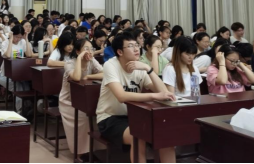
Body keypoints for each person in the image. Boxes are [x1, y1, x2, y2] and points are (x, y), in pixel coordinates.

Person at [96, 33, 176, 163]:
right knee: (138, 136)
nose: (136, 49)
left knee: (165, 135)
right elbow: (121, 96)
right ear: (120, 52)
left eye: (137, 45)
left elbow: (164, 92)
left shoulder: (140, 66)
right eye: (130, 46)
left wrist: (148, 69)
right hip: (109, 118)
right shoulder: (111, 65)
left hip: (134, 117)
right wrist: (154, 96)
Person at [59, 39, 103, 161]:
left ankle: (92, 149)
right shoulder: (69, 63)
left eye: (91, 48)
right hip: (68, 101)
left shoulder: (92, 61)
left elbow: (104, 73)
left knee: (97, 114)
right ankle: (80, 152)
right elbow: (77, 77)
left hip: (85, 99)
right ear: (78, 51)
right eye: (86, 49)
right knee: (83, 117)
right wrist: (79, 59)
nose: (90, 51)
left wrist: (89, 76)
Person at [0, 25, 33, 114]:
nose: (18, 39)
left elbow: (29, 55)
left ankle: (28, 108)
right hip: (4, 75)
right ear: (12, 34)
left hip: (18, 74)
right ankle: (20, 110)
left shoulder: (22, 42)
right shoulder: (5, 43)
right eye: (16, 37)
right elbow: (8, 55)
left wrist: (26, 39)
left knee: (26, 85)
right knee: (18, 86)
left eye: (20, 37)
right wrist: (10, 40)